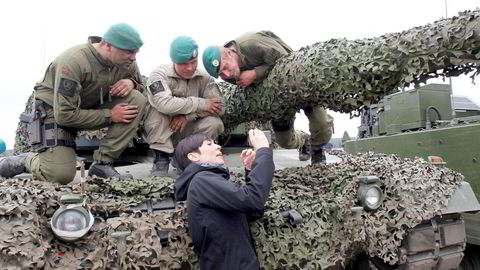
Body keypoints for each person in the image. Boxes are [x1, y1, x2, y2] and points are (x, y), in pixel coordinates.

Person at [0, 23, 147, 183]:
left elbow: (143, 88)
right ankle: (25, 160)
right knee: (59, 175)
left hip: (90, 107)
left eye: (136, 52)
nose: (133, 57)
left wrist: (131, 83)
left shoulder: (126, 63)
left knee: (136, 99)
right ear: (108, 46)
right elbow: (64, 115)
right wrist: (110, 115)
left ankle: (103, 163)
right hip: (55, 114)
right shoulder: (73, 62)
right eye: (129, 52)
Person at [202, 31, 334, 164]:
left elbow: (286, 61)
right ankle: (305, 141)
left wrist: (254, 73)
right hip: (278, 101)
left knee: (322, 124)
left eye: (225, 67)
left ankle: (317, 149)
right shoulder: (231, 74)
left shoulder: (252, 43)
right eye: (221, 74)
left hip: (299, 85)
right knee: (285, 142)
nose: (226, 74)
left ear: (229, 53)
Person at [174, 129, 274, 269]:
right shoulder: (202, 181)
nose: (218, 146)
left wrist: (250, 169)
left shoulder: (206, 182)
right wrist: (263, 151)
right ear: (193, 156)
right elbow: (253, 200)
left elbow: (251, 211)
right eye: (209, 144)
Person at [143, 36, 224, 176]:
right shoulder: (158, 75)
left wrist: (188, 116)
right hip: (162, 129)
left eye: (194, 62)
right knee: (157, 110)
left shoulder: (205, 78)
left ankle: (186, 157)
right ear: (174, 61)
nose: (190, 68)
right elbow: (164, 104)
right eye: (184, 64)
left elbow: (220, 107)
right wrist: (201, 103)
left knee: (214, 123)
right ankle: (161, 157)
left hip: (187, 130)